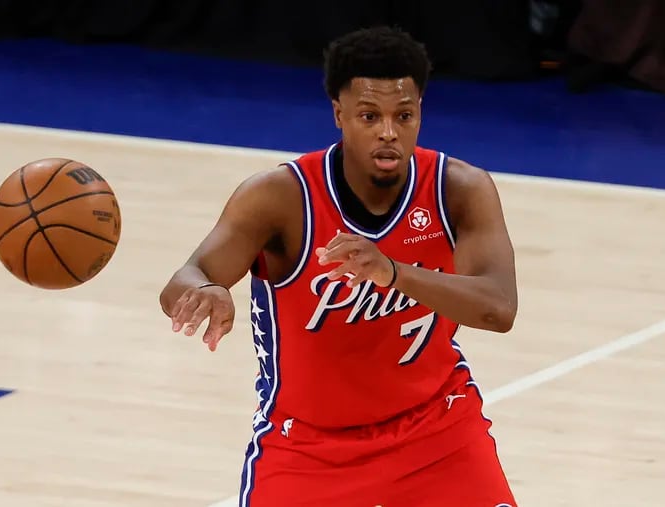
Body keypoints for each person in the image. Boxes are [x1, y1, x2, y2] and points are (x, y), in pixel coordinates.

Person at [160, 25, 519, 507]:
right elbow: (186, 277)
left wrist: (392, 271)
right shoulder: (280, 197)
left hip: (437, 430)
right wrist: (207, 290)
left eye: (404, 115)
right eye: (369, 116)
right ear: (339, 115)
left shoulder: (459, 190)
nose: (388, 132)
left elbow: (499, 309)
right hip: (308, 447)